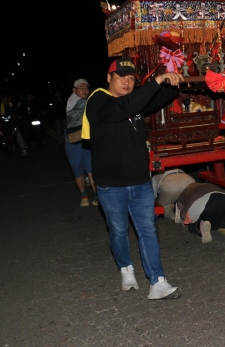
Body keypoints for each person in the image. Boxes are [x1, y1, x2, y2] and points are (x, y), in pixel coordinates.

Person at [83, 58, 184, 300]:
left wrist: (176, 81)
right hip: (111, 186)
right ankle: (126, 268)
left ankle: (157, 281)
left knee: (148, 230)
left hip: (140, 182)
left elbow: (156, 98)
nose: (127, 82)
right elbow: (125, 107)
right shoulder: (98, 101)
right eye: (121, 77)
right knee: (118, 230)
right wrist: (156, 81)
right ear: (109, 79)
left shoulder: (134, 102)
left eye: (131, 78)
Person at [65, 79, 98, 207]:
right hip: (73, 142)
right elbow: (92, 105)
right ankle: (84, 196)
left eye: (86, 88)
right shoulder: (74, 100)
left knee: (91, 169)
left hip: (87, 140)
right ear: (74, 90)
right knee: (77, 170)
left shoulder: (87, 100)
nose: (85, 90)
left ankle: (97, 196)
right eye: (81, 88)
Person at [0, 94, 28, 158]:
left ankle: (23, 148)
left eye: (5, 98)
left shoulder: (12, 106)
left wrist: (17, 115)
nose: (3, 100)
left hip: (11, 123)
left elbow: (17, 112)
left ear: (7, 99)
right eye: (2, 99)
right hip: (2, 123)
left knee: (17, 131)